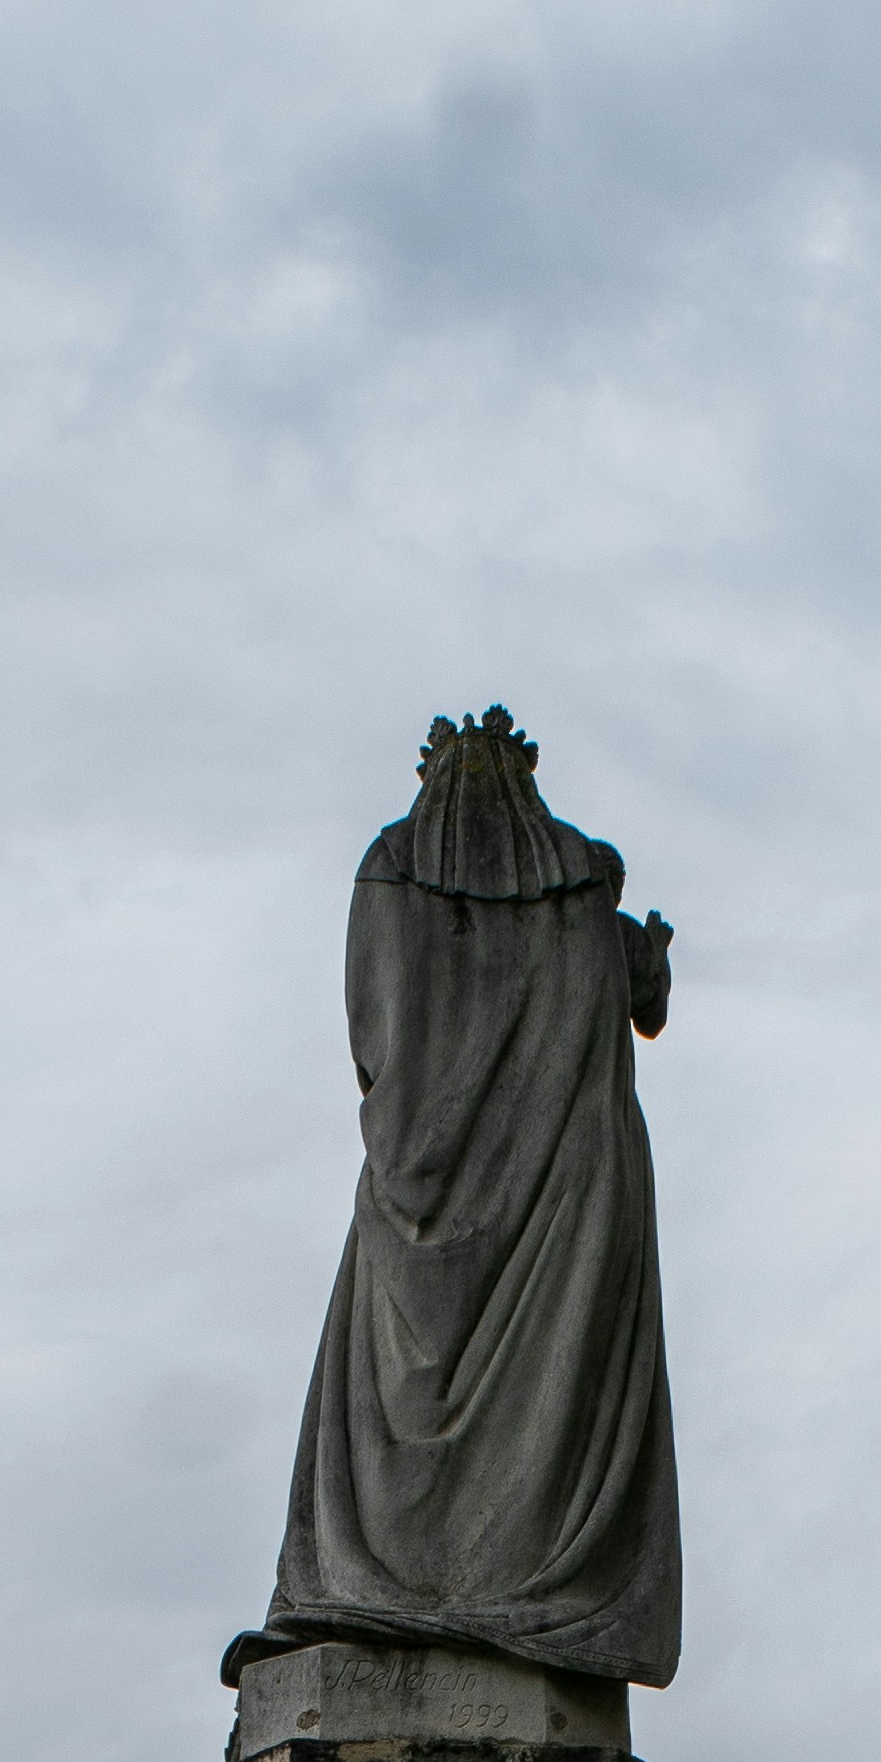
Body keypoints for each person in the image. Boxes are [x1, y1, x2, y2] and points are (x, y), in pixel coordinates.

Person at [228, 708, 683, 1693]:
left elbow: (373, 1038)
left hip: (427, 1186)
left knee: (411, 1392)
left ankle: (413, 1595)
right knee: (549, 1408)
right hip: (572, 1185)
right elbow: (633, 997)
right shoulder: (584, 879)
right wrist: (636, 968)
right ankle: (520, 1596)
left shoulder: (393, 868)